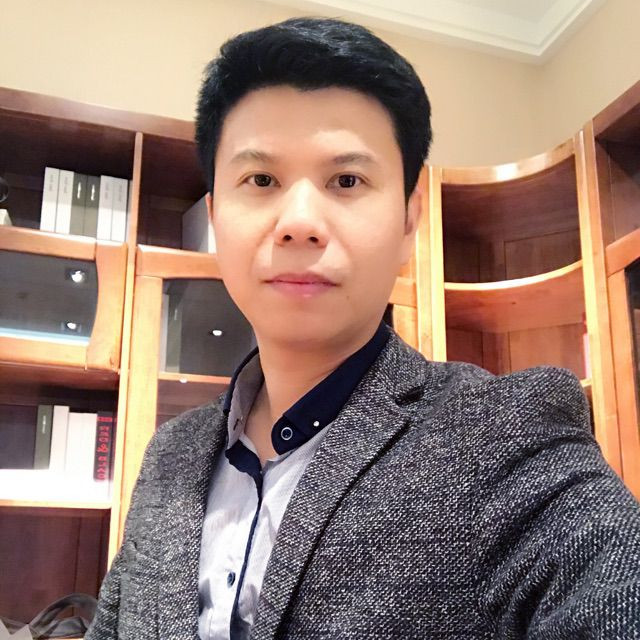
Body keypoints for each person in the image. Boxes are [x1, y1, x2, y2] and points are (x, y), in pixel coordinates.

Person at [85, 16, 640, 640]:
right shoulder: (170, 454)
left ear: (408, 221)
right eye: (261, 180)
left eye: (346, 180)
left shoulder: (505, 435)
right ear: (215, 218)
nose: (299, 223)